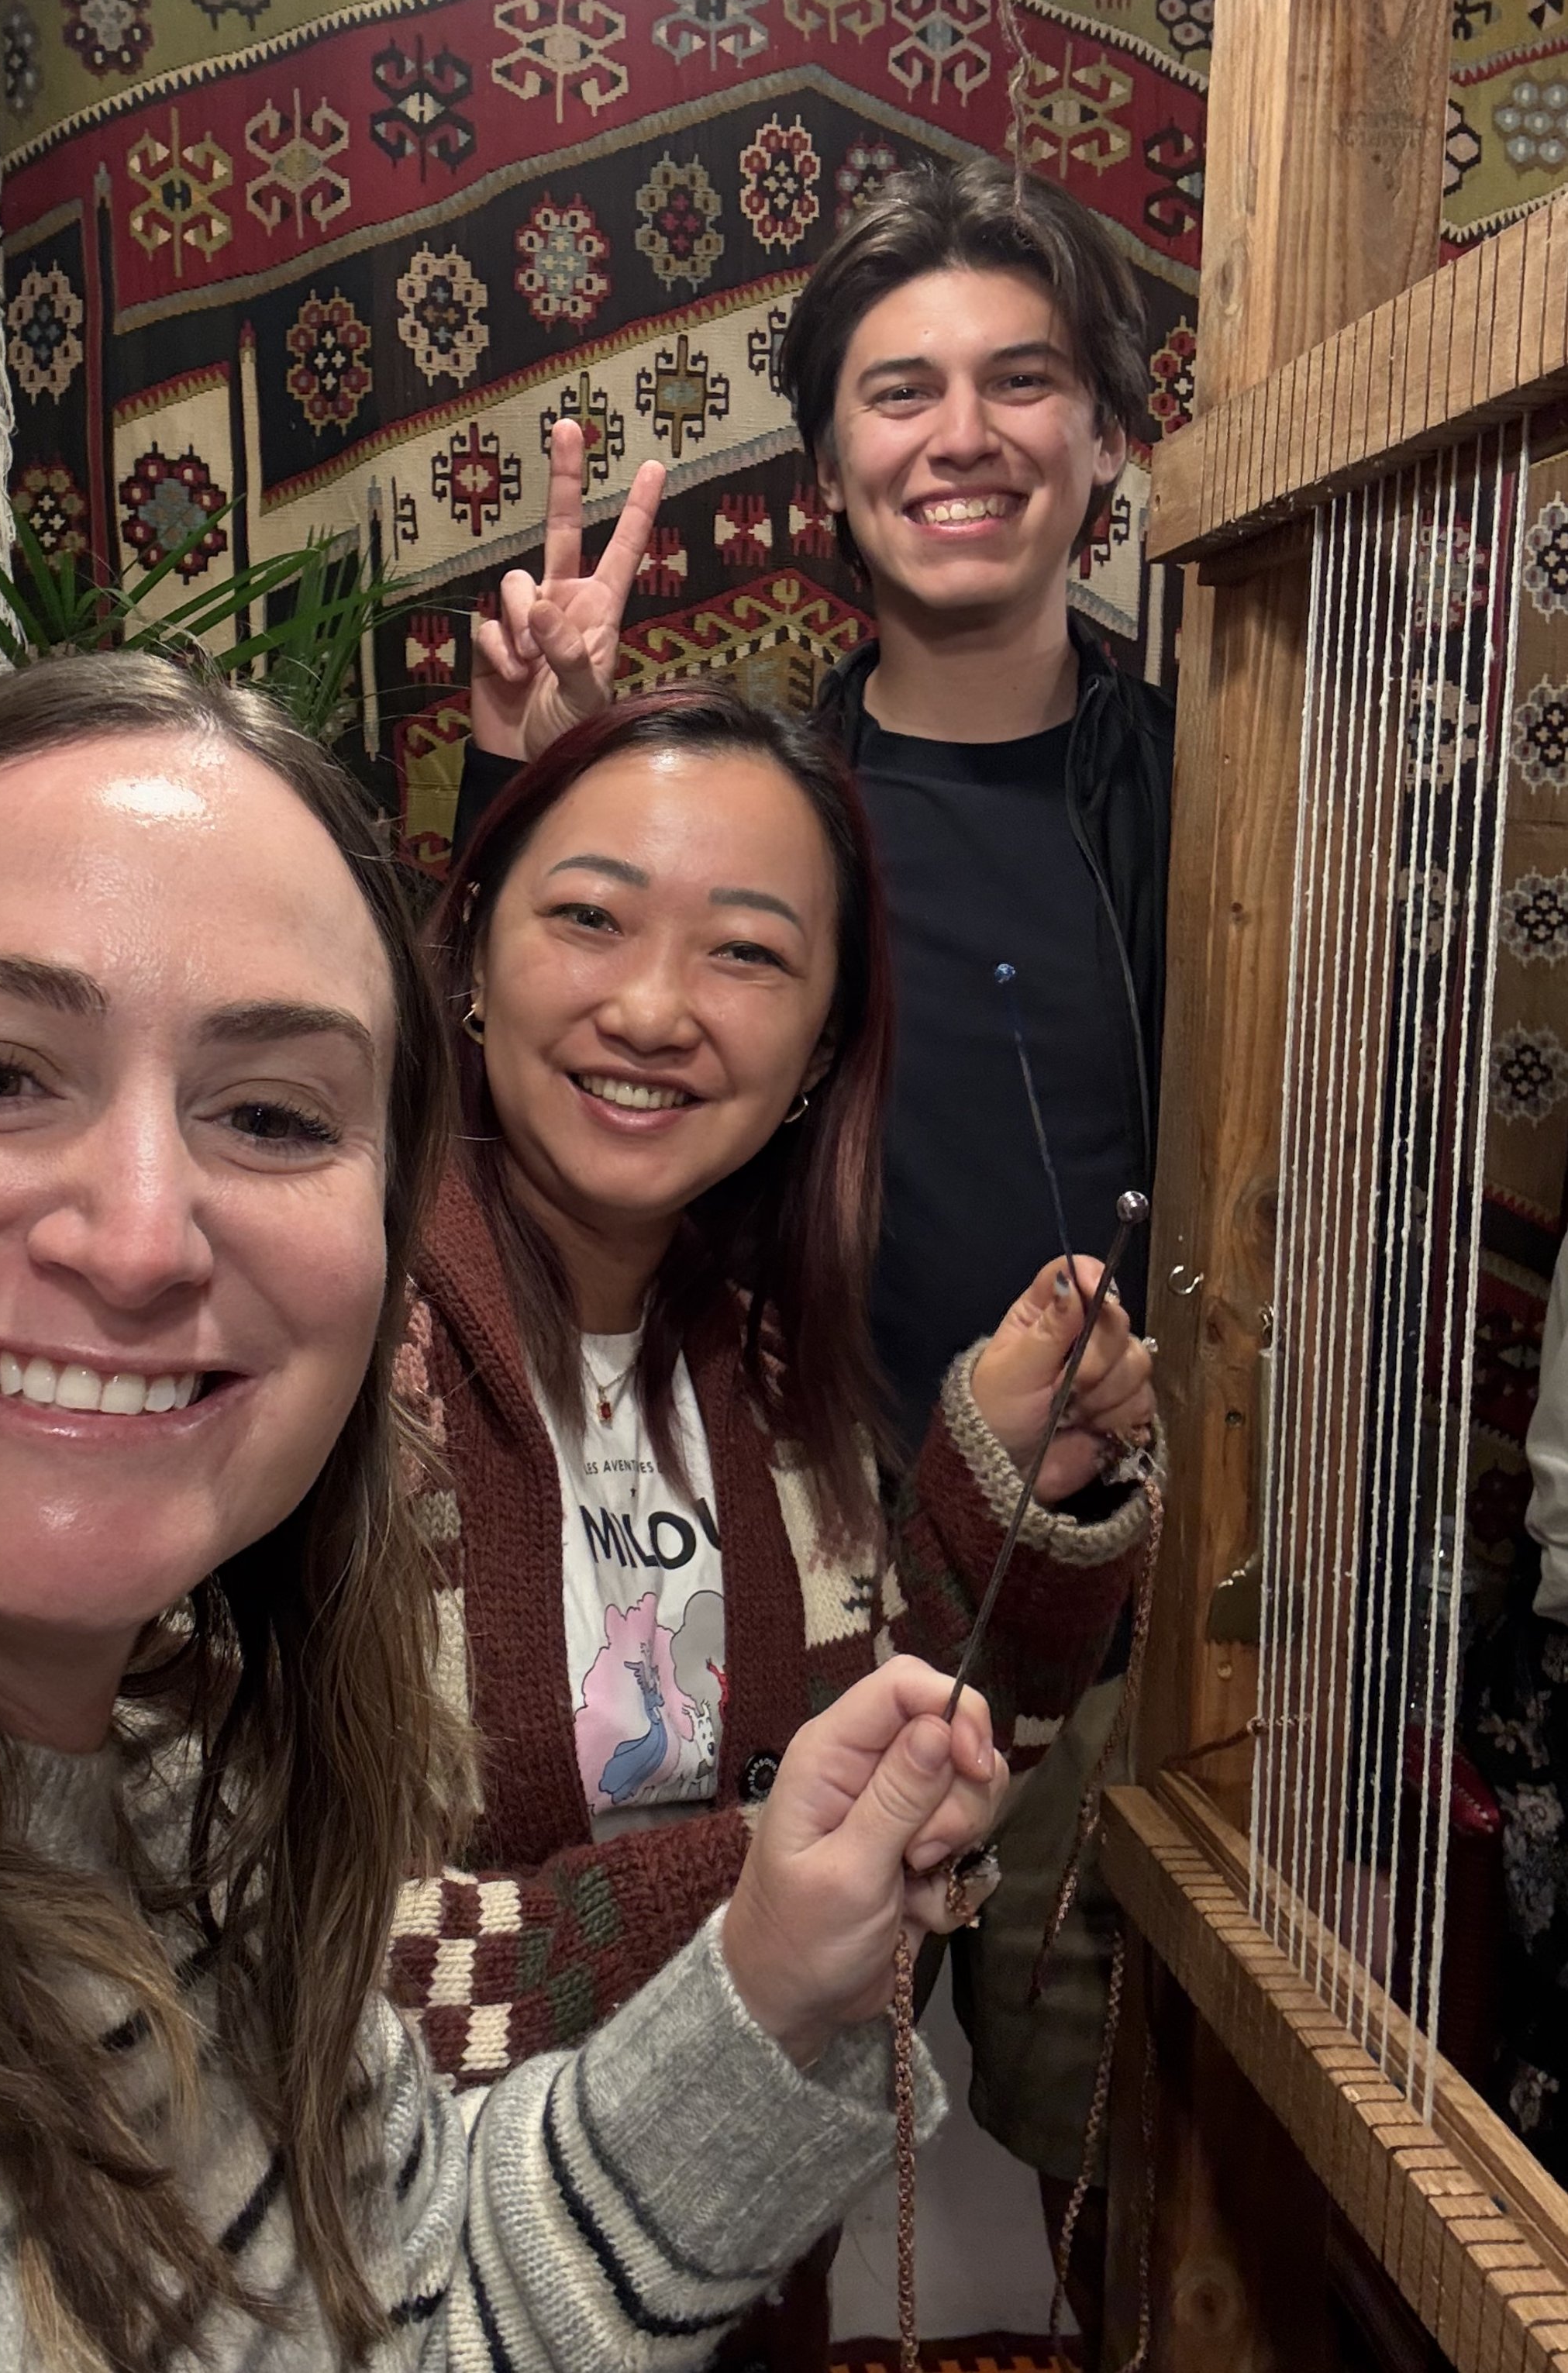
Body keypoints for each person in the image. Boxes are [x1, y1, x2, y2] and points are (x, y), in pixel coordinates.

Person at [0, 654, 1011, 2370]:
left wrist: (792, 1949)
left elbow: (409, 2273)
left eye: (271, 1112)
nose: (139, 1238)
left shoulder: (166, 1799)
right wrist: (734, 1896)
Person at [459, 155, 1173, 2359]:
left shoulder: (1241, 762)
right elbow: (555, 1069)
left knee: (1112, 2138)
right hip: (788, 1571)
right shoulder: (775, 815)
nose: (958, 432)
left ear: (1110, 440)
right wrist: (538, 788)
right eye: (896, 391)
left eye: (1018, 379)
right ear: (830, 469)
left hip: (1151, 1596)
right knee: (716, 2119)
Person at [388, 686, 1160, 2368]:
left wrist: (1009, 1485)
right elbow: (276, 1960)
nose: (654, 1006)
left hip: (734, 2296)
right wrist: (757, 1908)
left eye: (746, 953)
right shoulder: (318, 1354)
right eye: (587, 917)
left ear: (820, 1050)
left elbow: (920, 1767)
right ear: (465, 955)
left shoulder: (757, 1357)